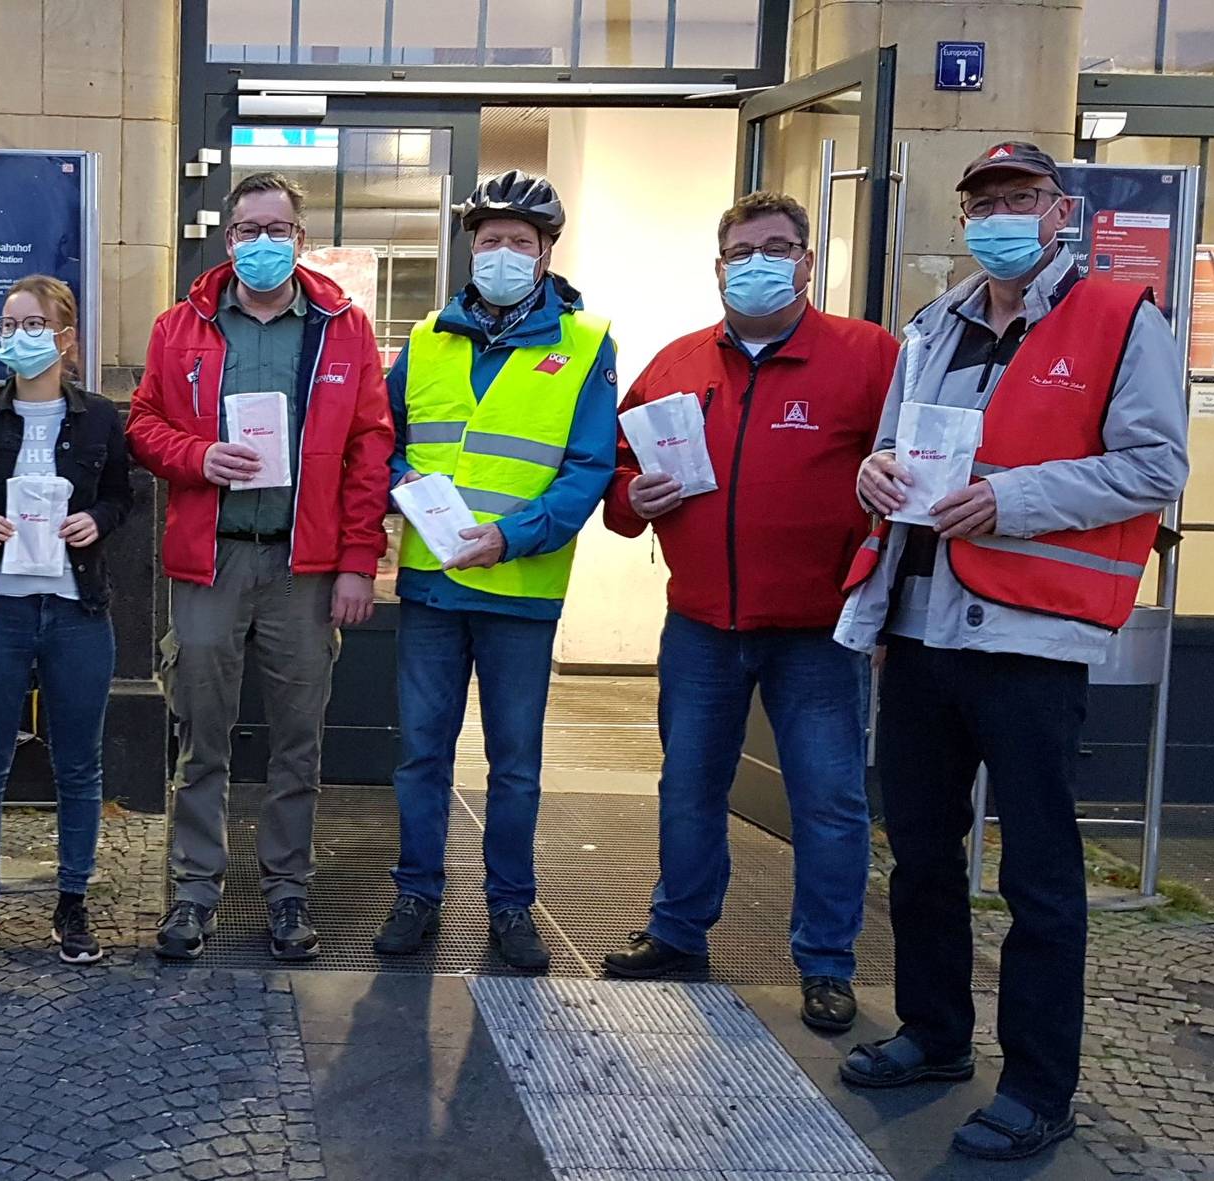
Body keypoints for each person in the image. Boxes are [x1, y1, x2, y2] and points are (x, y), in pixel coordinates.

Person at [834, 142, 1188, 1160]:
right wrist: (876, 474)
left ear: (1058, 208)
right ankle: (936, 1033)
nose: (998, 215)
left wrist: (1013, 498)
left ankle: (1038, 1084)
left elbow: (1157, 464)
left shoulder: (1122, 317)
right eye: (982, 200)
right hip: (922, 624)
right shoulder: (933, 324)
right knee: (920, 855)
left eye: (1018, 198)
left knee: (1038, 874)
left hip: (1031, 636)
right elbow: (902, 447)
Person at [599, 192, 896, 1029]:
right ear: (720, 265)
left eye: (778, 246)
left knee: (829, 801)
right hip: (700, 624)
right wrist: (635, 493)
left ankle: (828, 962)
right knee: (689, 785)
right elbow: (619, 492)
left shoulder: (868, 357)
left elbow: (904, 477)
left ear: (807, 260)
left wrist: (882, 609)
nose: (759, 262)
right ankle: (678, 930)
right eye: (742, 250)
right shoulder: (677, 363)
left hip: (818, 630)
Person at [128, 171, 393, 962]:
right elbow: (143, 425)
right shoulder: (181, 327)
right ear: (228, 237)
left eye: (278, 230)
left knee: (297, 741)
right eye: (250, 229)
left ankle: (286, 892)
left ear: (300, 240)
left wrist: (357, 563)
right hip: (211, 563)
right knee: (200, 735)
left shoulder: (344, 329)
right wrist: (199, 455)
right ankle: (194, 893)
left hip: (304, 567)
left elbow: (370, 449)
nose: (264, 243)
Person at [369, 171, 618, 971]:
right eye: (489, 240)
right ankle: (417, 892)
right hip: (434, 585)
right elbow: (384, 435)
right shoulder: (426, 337)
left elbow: (588, 469)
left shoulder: (587, 343)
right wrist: (398, 475)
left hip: (520, 587)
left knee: (514, 762)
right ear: (470, 248)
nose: (502, 253)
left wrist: (512, 537)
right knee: (421, 752)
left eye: (519, 241)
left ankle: (511, 905)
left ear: (547, 252)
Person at [0, 275, 133, 965]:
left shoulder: (101, 418)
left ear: (67, 338)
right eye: (8, 324)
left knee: (79, 763)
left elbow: (121, 495)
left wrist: (95, 521)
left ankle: (73, 900)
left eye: (32, 324)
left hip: (77, 609)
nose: (16, 337)